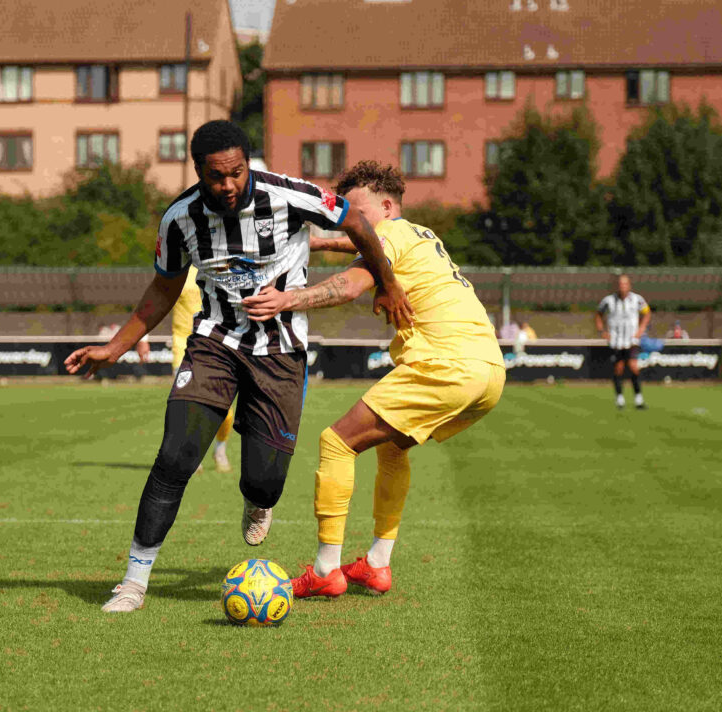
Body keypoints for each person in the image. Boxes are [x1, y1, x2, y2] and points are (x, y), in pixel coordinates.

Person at [64, 121, 413, 613]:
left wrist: (388, 281)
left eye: (235, 173)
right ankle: (133, 581)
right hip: (214, 343)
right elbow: (165, 286)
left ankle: (258, 496)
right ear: (198, 172)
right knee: (176, 455)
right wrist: (116, 347)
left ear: (247, 164)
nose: (227, 185)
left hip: (281, 351)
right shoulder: (179, 219)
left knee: (265, 481)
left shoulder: (290, 195)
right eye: (215, 176)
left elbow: (356, 221)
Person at [242, 160, 504, 598]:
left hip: (447, 363)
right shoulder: (420, 234)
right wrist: (322, 241)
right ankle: (377, 565)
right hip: (488, 369)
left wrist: (285, 300)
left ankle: (326, 569)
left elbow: (346, 288)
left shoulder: (388, 235)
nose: (353, 221)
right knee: (391, 447)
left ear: (385, 205)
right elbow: (367, 243)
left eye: (358, 212)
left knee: (336, 442)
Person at [171, 264, 234, 473]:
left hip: (218, 346)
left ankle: (220, 449)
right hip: (183, 347)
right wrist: (142, 337)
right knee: (189, 404)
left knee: (225, 411)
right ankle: (192, 454)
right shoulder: (178, 269)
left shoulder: (222, 265)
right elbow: (159, 297)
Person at [595, 274, 651, 410]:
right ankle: (619, 399)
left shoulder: (637, 299)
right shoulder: (608, 301)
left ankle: (638, 399)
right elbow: (598, 314)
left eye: (625, 284)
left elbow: (647, 313)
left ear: (629, 285)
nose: (623, 286)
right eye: (620, 284)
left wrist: (642, 329)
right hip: (616, 341)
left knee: (633, 367)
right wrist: (602, 331)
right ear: (617, 286)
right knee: (618, 369)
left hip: (632, 340)